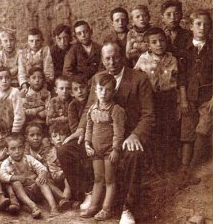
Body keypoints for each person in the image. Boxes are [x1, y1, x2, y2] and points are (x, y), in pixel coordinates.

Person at [57, 41, 154, 224]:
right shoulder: (97, 78)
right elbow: (88, 109)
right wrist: (80, 130)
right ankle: (90, 193)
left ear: (122, 57)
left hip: (124, 137)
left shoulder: (138, 79)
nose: (112, 62)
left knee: (134, 154)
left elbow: (148, 115)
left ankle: (127, 207)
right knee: (65, 150)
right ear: (102, 60)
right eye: (107, 58)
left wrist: (136, 135)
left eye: (115, 57)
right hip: (97, 138)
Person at [134, 27, 182, 174]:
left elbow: (178, 81)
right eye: (154, 42)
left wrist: (180, 101)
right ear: (148, 45)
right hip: (152, 98)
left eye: (161, 40)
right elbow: (136, 78)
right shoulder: (143, 59)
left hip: (169, 98)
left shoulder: (172, 59)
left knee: (170, 130)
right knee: (155, 131)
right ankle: (156, 166)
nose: (159, 44)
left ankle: (171, 166)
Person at [80, 73, 125, 221]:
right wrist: (87, 144)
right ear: (95, 90)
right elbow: (89, 127)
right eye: (100, 89)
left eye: (108, 90)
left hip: (109, 151)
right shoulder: (93, 109)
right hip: (96, 150)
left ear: (114, 92)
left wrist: (116, 149)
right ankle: (93, 206)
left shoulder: (116, 110)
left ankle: (106, 208)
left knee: (110, 180)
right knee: (98, 178)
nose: (103, 93)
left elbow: (119, 132)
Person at [180, 10, 213, 186]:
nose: (202, 28)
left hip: (207, 98)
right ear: (191, 27)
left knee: (203, 130)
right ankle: (184, 170)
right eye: (198, 24)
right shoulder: (185, 50)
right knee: (187, 132)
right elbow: (182, 77)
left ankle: (192, 169)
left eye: (206, 24)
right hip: (190, 97)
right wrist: (184, 100)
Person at [0, 133, 59, 219]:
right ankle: (33, 207)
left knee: (41, 180)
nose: (17, 151)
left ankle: (53, 207)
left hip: (35, 189)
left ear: (23, 147)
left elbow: (40, 166)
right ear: (7, 150)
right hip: (22, 193)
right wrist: (15, 178)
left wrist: (42, 173)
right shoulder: (6, 163)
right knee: (15, 183)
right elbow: (2, 175)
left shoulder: (28, 158)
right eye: (13, 149)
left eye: (20, 147)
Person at [25, 122, 73, 211]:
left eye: (38, 135)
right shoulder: (25, 151)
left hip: (57, 174)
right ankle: (62, 199)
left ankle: (65, 200)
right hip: (43, 178)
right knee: (44, 180)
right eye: (32, 135)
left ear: (42, 136)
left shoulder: (47, 147)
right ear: (26, 137)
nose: (36, 138)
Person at [0, 67, 25, 133]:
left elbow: (19, 114)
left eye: (7, 77)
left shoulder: (14, 92)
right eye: (0, 78)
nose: (4, 81)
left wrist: (14, 132)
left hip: (12, 129)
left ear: (11, 79)